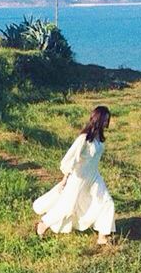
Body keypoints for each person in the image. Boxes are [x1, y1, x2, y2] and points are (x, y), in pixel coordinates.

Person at [33, 105, 115, 245]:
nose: (107, 122)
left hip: (94, 177)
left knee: (107, 202)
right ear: (98, 119)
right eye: (105, 119)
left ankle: (102, 236)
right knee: (67, 207)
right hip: (79, 178)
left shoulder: (99, 139)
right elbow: (69, 159)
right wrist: (66, 178)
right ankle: (43, 225)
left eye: (108, 119)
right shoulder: (84, 138)